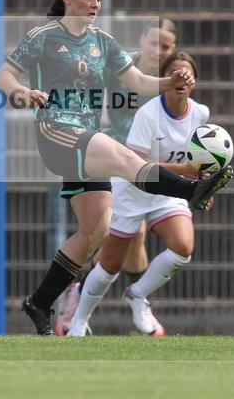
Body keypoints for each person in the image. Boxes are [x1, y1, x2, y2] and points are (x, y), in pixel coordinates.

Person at [0, 0, 233, 335]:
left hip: (84, 141)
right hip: (56, 130)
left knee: (96, 231)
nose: (95, 4)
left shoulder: (102, 42)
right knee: (125, 158)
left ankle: (40, 303)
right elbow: (4, 76)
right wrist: (23, 93)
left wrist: (171, 81)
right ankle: (191, 192)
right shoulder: (42, 37)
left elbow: (137, 81)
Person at [66, 51, 213, 337]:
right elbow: (136, 167)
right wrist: (184, 170)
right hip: (133, 189)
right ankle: (79, 321)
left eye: (187, 74)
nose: (180, 79)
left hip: (167, 191)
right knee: (110, 265)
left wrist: (207, 183)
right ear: (163, 80)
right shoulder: (149, 114)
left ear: (194, 82)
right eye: (174, 74)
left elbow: (202, 158)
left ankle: (137, 294)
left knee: (183, 247)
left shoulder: (201, 113)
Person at [54, 17, 177, 336]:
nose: (159, 51)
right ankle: (86, 303)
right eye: (154, 43)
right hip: (109, 158)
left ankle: (129, 298)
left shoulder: (172, 79)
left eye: (166, 46)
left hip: (146, 165)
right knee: (108, 230)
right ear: (142, 40)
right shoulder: (119, 69)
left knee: (132, 236)